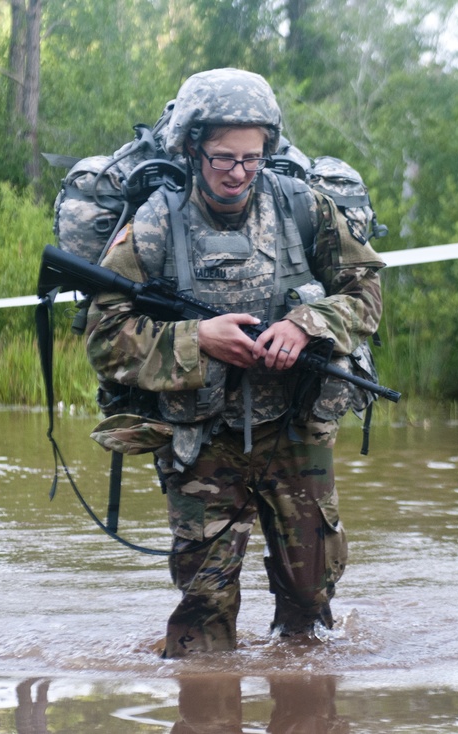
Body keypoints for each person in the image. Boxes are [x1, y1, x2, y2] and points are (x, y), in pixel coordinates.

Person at [85, 68, 385, 658]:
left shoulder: (307, 210)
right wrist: (199, 339)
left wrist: (306, 325)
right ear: (192, 147)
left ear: (268, 149)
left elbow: (365, 295)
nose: (238, 173)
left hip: (296, 430)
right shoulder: (152, 225)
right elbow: (105, 338)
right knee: (204, 610)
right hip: (201, 438)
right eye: (223, 158)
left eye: (251, 158)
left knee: (311, 598)